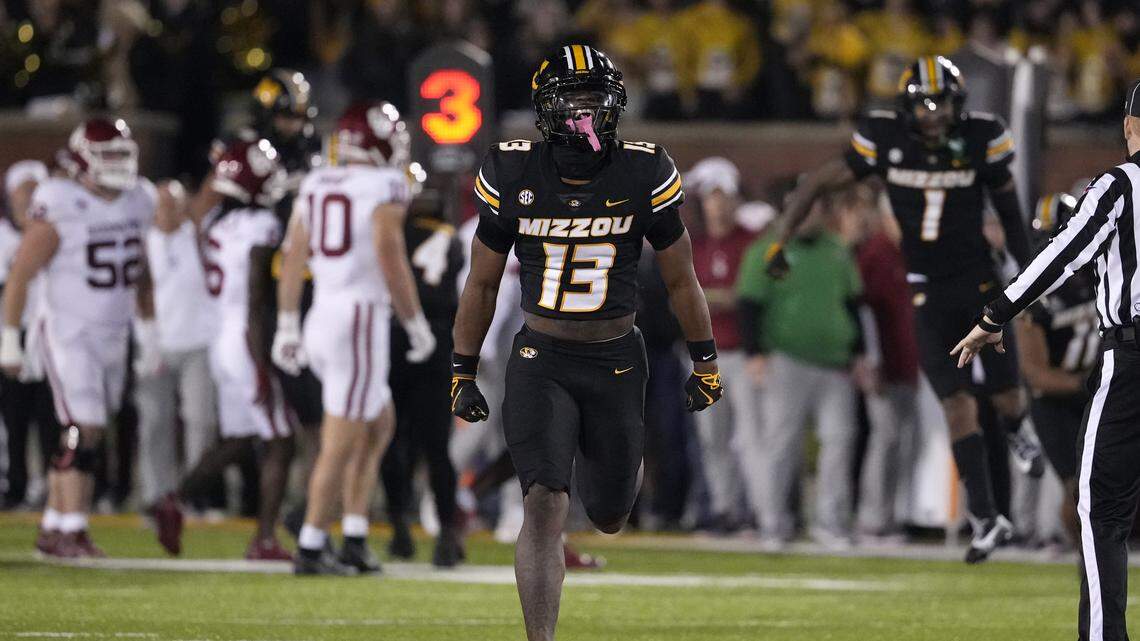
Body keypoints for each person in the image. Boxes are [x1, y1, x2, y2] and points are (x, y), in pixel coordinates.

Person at [450, 45, 722, 641]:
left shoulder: (644, 169)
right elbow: (482, 281)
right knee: (544, 502)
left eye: (595, 103)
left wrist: (704, 360)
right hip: (540, 357)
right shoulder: (512, 169)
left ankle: (617, 473)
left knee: (609, 514)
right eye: (572, 104)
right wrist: (462, 370)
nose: (584, 117)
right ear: (546, 110)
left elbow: (682, 277)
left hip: (617, 358)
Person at [768, 56, 1039, 563]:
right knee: (956, 404)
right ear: (905, 107)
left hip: (979, 281)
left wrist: (1028, 282)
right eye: (924, 105)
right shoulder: (885, 139)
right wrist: (779, 239)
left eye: (942, 105)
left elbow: (1010, 213)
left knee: (1003, 395)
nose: (934, 116)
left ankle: (1019, 427)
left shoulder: (982, 138)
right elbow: (818, 183)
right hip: (927, 289)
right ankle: (986, 517)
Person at [952, 82, 1140, 641]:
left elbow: (1060, 255)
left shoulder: (1121, 185)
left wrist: (995, 315)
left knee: (1099, 509)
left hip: (1131, 360)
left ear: (1131, 127)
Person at [272, 102, 437, 576]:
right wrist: (415, 323)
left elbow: (292, 255)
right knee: (340, 438)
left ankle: (356, 533)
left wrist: (287, 324)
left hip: (322, 314)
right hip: (359, 316)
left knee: (378, 421)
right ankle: (311, 541)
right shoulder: (384, 184)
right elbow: (390, 253)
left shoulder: (317, 181)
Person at [0, 118, 155, 557]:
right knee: (82, 425)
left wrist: (149, 328)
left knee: (90, 431)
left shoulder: (139, 199)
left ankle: (53, 524)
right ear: (84, 160)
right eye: (109, 157)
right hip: (69, 329)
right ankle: (72, 528)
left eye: (123, 155)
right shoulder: (60, 202)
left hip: (114, 331)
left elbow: (142, 271)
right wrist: (9, 338)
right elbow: (21, 276)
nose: (119, 166)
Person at [152, 139, 295, 560]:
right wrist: (262, 361)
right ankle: (265, 538)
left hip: (220, 338)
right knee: (281, 440)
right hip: (243, 338)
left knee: (241, 436)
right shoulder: (260, 226)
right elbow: (253, 296)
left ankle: (172, 499)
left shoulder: (215, 222)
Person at [737, 190, 870, 548]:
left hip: (835, 363)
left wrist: (860, 355)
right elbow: (749, 303)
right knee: (781, 443)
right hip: (788, 358)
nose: (811, 214)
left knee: (839, 440)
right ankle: (773, 523)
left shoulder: (836, 249)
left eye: (816, 207)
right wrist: (755, 353)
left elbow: (852, 304)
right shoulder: (770, 248)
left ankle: (830, 522)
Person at [380, 189, 467, 568]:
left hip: (393, 335)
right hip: (435, 338)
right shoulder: (452, 240)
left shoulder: (394, 232)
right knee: (436, 446)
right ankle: (446, 534)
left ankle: (400, 526)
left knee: (391, 439)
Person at [132, 179, 217, 531]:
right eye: (162, 204)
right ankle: (156, 497)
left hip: (198, 342)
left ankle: (193, 494)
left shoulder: (196, 237)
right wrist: (148, 339)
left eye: (175, 204)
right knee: (154, 423)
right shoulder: (144, 241)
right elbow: (140, 289)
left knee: (201, 422)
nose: (168, 211)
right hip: (157, 343)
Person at [1011, 193, 1094, 548]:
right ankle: (1081, 555)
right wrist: (1092, 383)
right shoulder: (1034, 297)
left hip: (1094, 389)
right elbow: (1036, 374)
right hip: (1058, 400)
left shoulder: (1103, 273)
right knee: (1077, 486)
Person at [686, 157, 757, 532]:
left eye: (723, 196)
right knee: (711, 439)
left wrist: (707, 298)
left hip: (743, 354)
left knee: (748, 439)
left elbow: (746, 297)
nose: (717, 205)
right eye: (711, 198)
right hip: (704, 358)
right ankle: (724, 507)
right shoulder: (693, 245)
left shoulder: (751, 241)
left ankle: (753, 508)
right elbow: (681, 298)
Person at [0, 160, 59, 510]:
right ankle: (16, 485)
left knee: (51, 417)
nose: (28, 199)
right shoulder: (3, 236)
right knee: (15, 417)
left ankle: (56, 487)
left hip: (51, 333)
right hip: (15, 333)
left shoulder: (55, 230)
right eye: (22, 192)